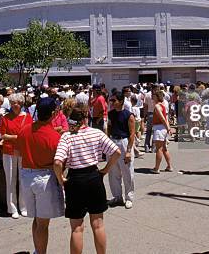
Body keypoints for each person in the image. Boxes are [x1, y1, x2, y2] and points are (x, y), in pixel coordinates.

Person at [54, 106, 121, 254]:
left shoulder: (67, 136)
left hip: (75, 180)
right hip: (94, 177)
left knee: (77, 228)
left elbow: (58, 162)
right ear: (86, 118)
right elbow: (116, 151)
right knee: (98, 224)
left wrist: (61, 179)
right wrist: (105, 170)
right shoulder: (96, 133)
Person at [16, 97, 64, 254]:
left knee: (37, 220)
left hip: (26, 176)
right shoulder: (54, 137)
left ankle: (38, 250)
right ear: (53, 113)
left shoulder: (24, 130)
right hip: (44, 178)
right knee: (43, 223)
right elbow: (59, 163)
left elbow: (18, 152)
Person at [0, 93, 29, 218]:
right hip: (9, 151)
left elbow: (30, 132)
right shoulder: (5, 118)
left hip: (23, 151)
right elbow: (2, 135)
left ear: (21, 103)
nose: (15, 105)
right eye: (12, 103)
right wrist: (15, 137)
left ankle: (24, 206)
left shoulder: (27, 117)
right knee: (10, 179)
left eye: (17, 103)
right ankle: (12, 207)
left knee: (23, 179)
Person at [106, 91, 137, 208]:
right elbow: (108, 128)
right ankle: (117, 197)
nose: (112, 102)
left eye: (114, 100)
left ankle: (129, 197)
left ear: (121, 101)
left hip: (124, 142)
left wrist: (129, 151)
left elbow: (132, 134)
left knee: (127, 172)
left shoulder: (129, 115)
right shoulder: (111, 114)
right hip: (112, 142)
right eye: (111, 100)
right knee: (113, 172)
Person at [150, 90, 173, 174]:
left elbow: (162, 118)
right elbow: (165, 118)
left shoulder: (157, 106)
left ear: (157, 97)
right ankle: (169, 166)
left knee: (159, 149)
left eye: (154, 96)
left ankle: (156, 168)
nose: (152, 97)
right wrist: (168, 128)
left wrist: (168, 128)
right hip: (162, 128)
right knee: (164, 148)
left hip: (159, 128)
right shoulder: (162, 105)